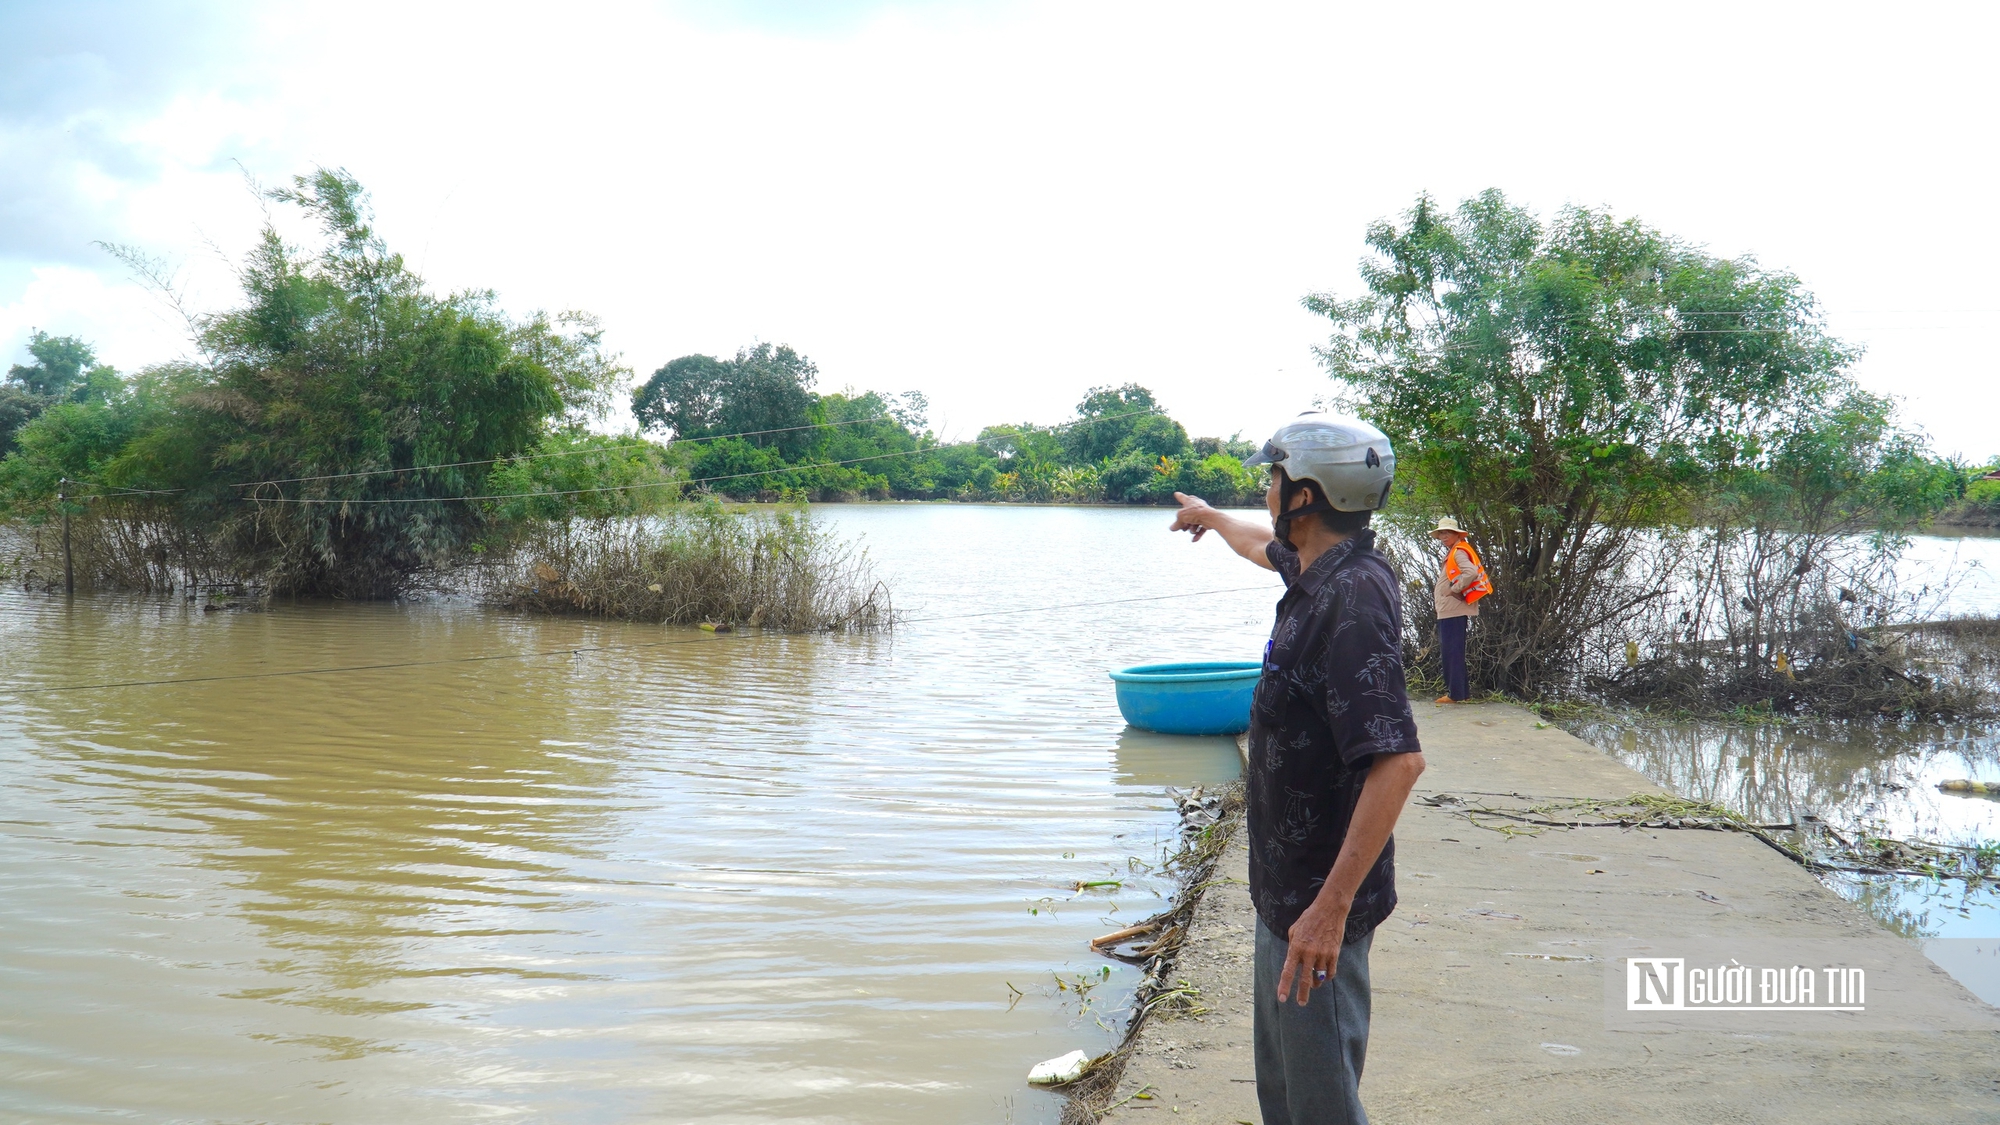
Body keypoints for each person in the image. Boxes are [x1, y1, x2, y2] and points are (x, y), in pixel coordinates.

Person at [1168, 412, 1426, 1125]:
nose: (1268, 490)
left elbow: (1398, 762)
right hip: (1285, 897)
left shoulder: (1352, 599)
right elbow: (1260, 545)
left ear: (1306, 496)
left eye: (1274, 478)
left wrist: (1330, 910)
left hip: (1318, 909)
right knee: (1284, 1096)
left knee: (1322, 1107)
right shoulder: (1316, 567)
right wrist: (1212, 518)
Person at [1429, 516, 1490, 705]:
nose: (1444, 536)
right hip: (1450, 609)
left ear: (1456, 535)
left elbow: (1470, 572)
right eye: (1441, 533)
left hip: (1453, 609)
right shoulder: (1454, 551)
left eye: (1448, 533)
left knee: (1452, 651)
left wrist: (1453, 589)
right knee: (1453, 650)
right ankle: (1461, 692)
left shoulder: (1458, 552)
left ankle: (1455, 694)